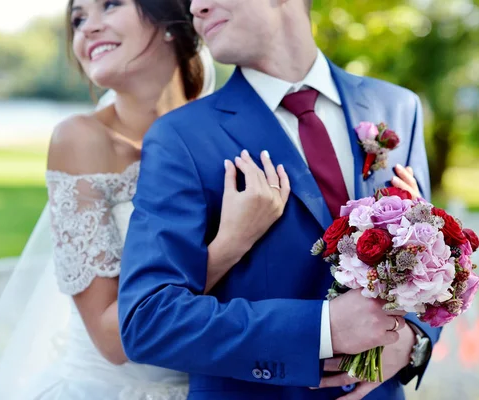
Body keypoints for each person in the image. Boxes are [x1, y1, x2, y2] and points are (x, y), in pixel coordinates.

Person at [0, 1, 292, 399]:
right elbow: (112, 339)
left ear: (170, 22)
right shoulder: (82, 142)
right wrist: (230, 244)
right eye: (78, 19)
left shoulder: (232, 135)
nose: (88, 29)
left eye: (110, 5)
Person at [118, 0, 440, 399]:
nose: (196, 7)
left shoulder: (397, 107)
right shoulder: (180, 138)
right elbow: (148, 322)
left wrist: (413, 340)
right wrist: (323, 327)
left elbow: (436, 263)